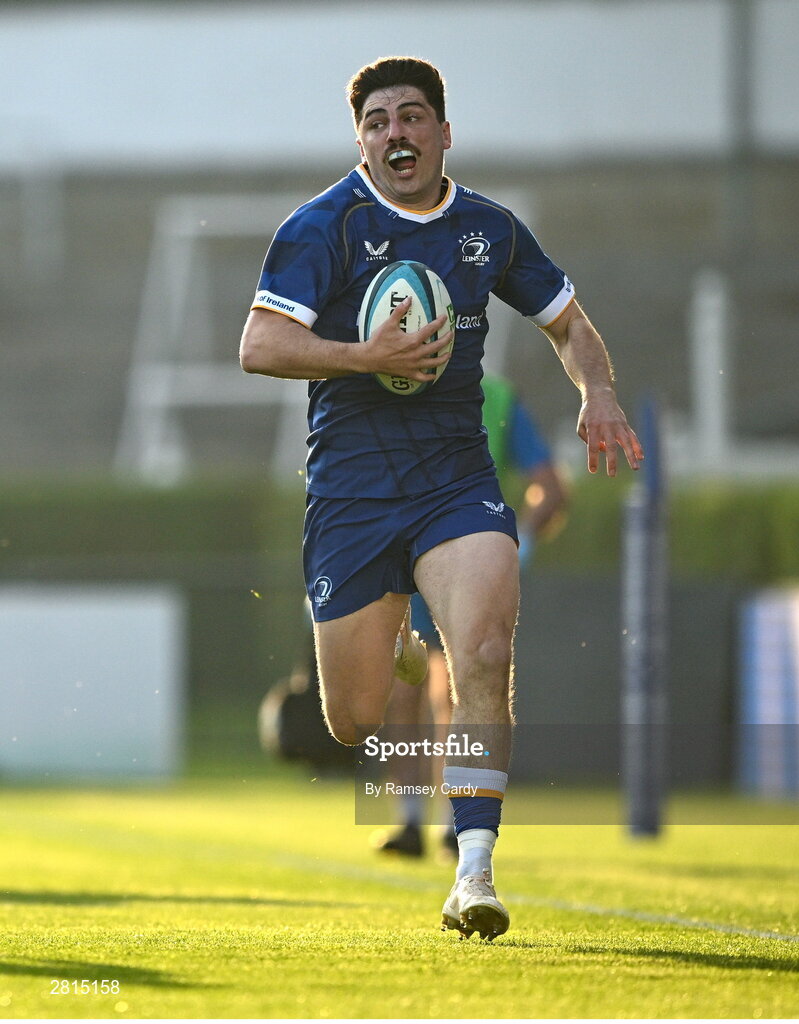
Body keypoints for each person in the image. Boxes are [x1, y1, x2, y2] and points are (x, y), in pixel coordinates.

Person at [239, 56, 643, 941]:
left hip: (457, 483)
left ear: (443, 132)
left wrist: (597, 391)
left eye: (413, 117)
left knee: (487, 653)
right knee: (352, 719)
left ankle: (473, 871)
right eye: (378, 121)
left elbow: (568, 323)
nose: (397, 134)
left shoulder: (487, 229)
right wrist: (363, 358)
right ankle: (408, 652)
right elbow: (260, 343)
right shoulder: (322, 226)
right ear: (362, 140)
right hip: (350, 495)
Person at [377, 373, 568, 859]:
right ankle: (432, 823)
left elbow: (549, 488)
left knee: (433, 692)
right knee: (432, 693)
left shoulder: (496, 397)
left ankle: (430, 823)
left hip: (427, 557)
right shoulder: (495, 393)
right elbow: (550, 490)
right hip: (446, 557)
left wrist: (515, 545)